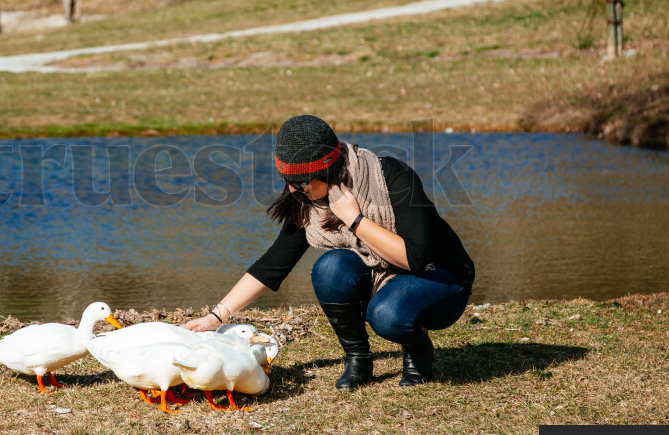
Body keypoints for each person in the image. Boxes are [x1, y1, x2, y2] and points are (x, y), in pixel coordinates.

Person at [184, 115, 475, 388]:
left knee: (386, 314)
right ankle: (358, 359)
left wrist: (355, 220)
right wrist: (215, 318)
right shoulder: (307, 201)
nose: (294, 190)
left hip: (440, 276)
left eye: (300, 183)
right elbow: (273, 264)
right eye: (287, 181)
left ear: (326, 169)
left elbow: (413, 258)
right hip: (385, 276)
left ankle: (418, 349)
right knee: (330, 268)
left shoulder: (390, 177)